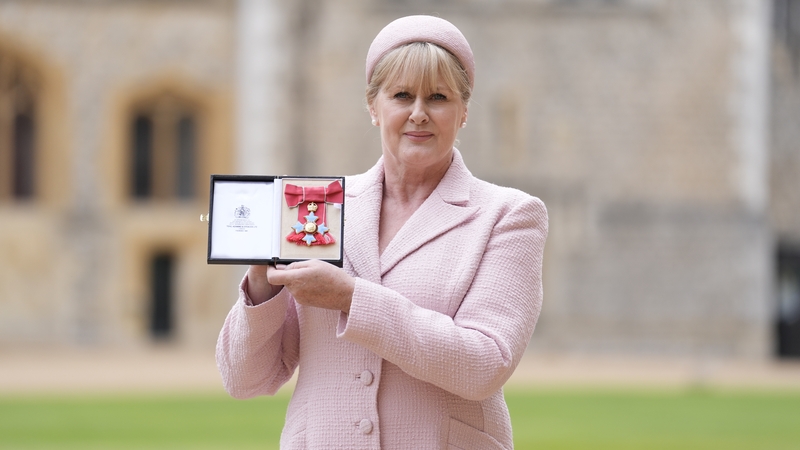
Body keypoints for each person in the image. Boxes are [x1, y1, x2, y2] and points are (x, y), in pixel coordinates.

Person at [216, 15, 548, 449]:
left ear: (464, 111)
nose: (419, 114)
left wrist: (351, 298)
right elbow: (245, 380)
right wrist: (263, 283)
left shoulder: (509, 216)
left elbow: (483, 365)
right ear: (374, 107)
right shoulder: (316, 208)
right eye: (402, 95)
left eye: (439, 97)